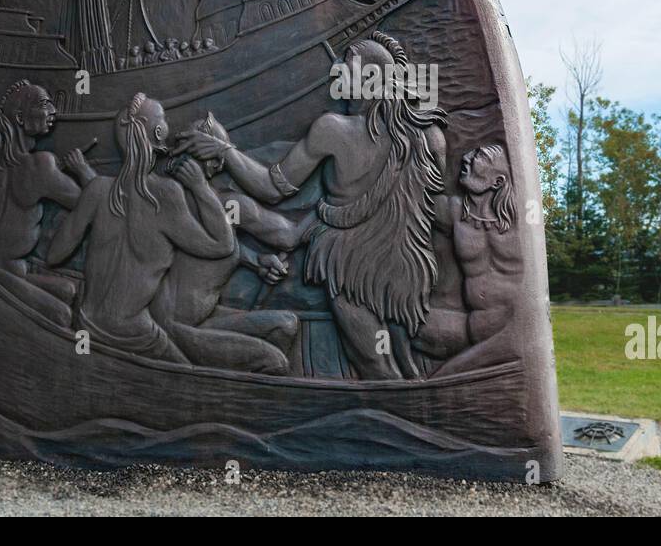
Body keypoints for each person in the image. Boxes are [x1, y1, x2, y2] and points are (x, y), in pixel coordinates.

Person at [174, 32, 446, 380]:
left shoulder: (332, 129)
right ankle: (422, 409)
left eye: (346, 64)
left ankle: (405, 422)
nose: (336, 69)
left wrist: (225, 153)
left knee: (372, 363)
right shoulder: (419, 136)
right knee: (401, 360)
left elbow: (273, 187)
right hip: (400, 269)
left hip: (349, 264)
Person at [46, 93, 235, 362]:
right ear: (159, 132)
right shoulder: (167, 195)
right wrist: (201, 188)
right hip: (133, 333)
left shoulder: (97, 190)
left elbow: (54, 255)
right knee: (188, 376)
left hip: (86, 325)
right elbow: (222, 245)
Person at [148, 113, 307, 374]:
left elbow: (201, 244)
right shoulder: (219, 205)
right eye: (218, 158)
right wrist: (327, 214)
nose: (220, 167)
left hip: (201, 320)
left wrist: (255, 261)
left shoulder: (180, 201)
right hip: (174, 328)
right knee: (275, 362)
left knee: (287, 324)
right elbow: (287, 237)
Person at [0, 80, 94, 325]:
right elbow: (86, 204)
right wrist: (82, 169)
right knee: (63, 316)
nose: (54, 111)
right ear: (22, 118)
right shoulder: (41, 166)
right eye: (45, 105)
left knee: (69, 290)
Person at [413, 144, 519, 375]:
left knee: (446, 375)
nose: (468, 157)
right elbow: (414, 190)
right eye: (473, 152)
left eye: (479, 157)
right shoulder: (454, 212)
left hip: (512, 330)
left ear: (497, 182)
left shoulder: (519, 224)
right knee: (405, 324)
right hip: (470, 327)